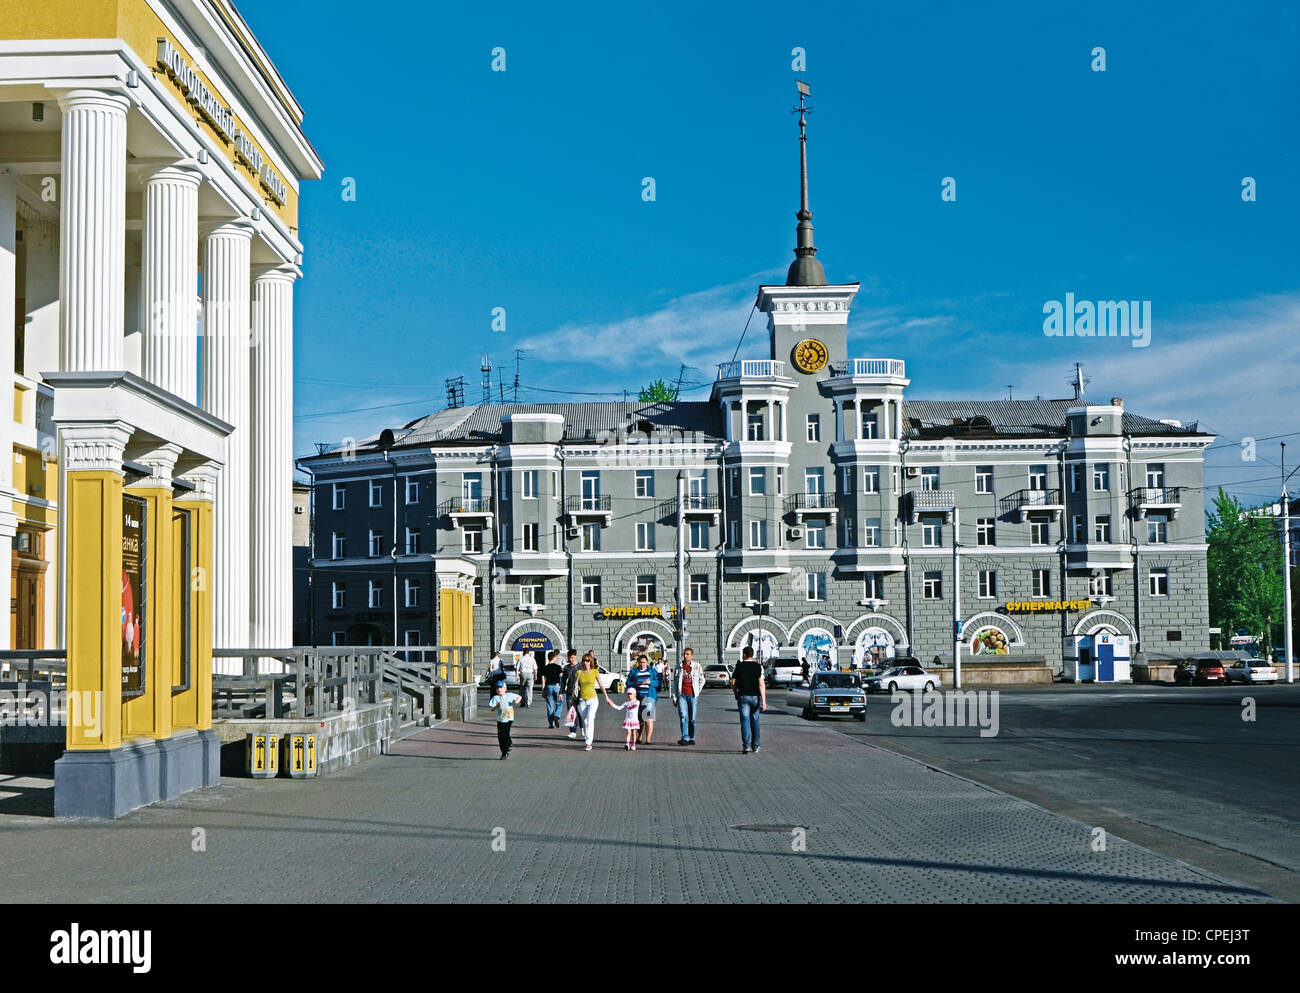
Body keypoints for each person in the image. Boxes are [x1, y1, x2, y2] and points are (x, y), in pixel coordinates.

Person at [574, 652, 614, 751]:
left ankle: (588, 743)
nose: (585, 662)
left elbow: (601, 686)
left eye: (587, 660)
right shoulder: (578, 672)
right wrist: (572, 699)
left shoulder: (595, 672)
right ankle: (587, 738)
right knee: (585, 721)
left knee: (590, 719)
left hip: (593, 699)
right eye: (584, 660)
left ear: (590, 662)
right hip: (582, 700)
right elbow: (575, 687)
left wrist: (607, 698)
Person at [730, 646, 766, 755]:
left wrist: (736, 693)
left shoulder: (739, 666)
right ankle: (755, 746)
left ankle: (746, 746)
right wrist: (764, 701)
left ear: (745, 654)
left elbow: (733, 682)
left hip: (743, 697)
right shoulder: (758, 667)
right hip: (755, 697)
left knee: (745, 721)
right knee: (755, 721)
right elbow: (761, 684)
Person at [672, 647, 704, 745]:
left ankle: (692, 737)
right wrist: (674, 697)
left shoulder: (697, 666)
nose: (685, 656)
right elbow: (675, 683)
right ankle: (685, 738)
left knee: (692, 718)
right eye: (684, 654)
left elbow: (702, 680)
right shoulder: (679, 666)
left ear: (692, 655)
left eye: (688, 654)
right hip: (682, 695)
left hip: (693, 695)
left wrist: (697, 691)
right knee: (683, 716)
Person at [626, 654, 658, 744]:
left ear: (647, 662)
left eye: (644, 662)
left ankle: (648, 739)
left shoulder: (652, 671)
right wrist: (636, 683)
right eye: (640, 662)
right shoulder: (634, 671)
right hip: (637, 697)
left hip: (649, 696)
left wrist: (650, 682)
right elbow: (628, 683)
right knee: (639, 719)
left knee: (649, 718)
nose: (642, 664)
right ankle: (639, 735)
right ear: (638, 663)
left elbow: (657, 682)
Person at [487, 679, 521, 759]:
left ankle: (509, 744)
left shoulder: (509, 695)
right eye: (497, 688)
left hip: (509, 718)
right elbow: (491, 709)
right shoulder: (495, 698)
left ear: (505, 689)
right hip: (500, 719)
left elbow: (519, 697)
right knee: (500, 736)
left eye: (501, 687)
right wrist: (497, 706)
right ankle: (504, 752)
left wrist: (517, 701)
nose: (499, 689)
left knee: (505, 733)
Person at [561, 649, 584, 739]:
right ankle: (573, 731)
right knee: (571, 712)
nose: (570, 659)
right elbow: (563, 681)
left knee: (580, 712)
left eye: (572, 657)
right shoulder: (566, 668)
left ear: (576, 656)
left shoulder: (581, 667)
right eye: (569, 657)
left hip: (580, 693)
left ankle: (582, 727)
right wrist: (561, 692)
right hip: (570, 692)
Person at [541, 650, 565, 728]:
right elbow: (561, 677)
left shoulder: (545, 667)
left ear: (548, 658)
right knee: (559, 703)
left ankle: (551, 724)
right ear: (554, 658)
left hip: (548, 686)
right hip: (557, 686)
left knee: (549, 705)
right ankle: (557, 715)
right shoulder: (558, 667)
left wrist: (543, 690)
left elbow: (543, 679)